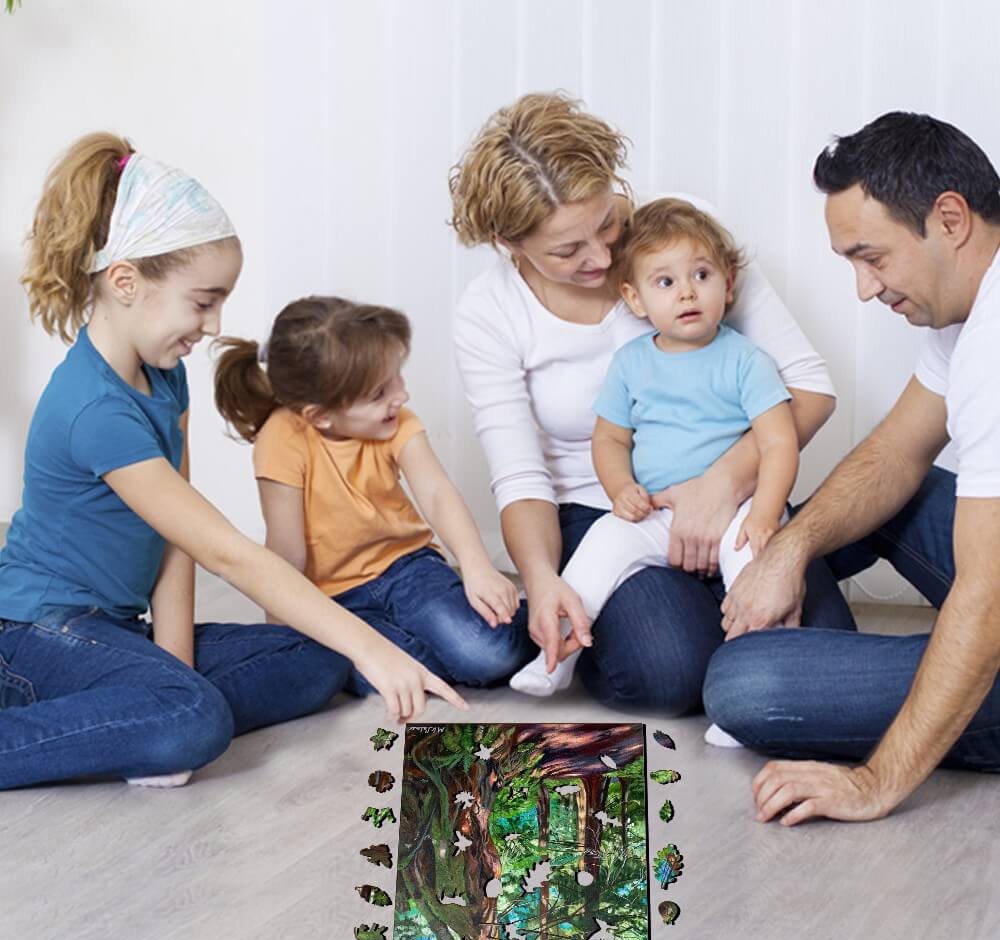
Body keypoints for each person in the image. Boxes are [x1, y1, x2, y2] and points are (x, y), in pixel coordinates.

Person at [0, 133, 465, 792]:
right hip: (37, 632)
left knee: (313, 658)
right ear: (126, 282)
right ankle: (133, 718)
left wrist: (176, 664)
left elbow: (179, 545)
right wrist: (376, 650)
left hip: (114, 628)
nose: (215, 323)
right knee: (192, 720)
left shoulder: (165, 378)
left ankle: (131, 715)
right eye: (202, 300)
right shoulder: (93, 409)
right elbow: (229, 553)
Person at [450, 92, 855, 713]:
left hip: (737, 484)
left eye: (607, 222)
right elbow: (521, 476)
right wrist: (542, 579)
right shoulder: (490, 311)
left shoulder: (683, 242)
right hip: (604, 508)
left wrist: (721, 486)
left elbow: (808, 388)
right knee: (670, 674)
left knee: (823, 647)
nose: (604, 258)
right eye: (568, 251)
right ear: (510, 242)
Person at [704, 111, 1000, 825]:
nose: (866, 289)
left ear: (950, 218)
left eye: (873, 258)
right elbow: (894, 454)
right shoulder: (968, 309)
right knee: (888, 494)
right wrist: (788, 552)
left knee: (748, 685)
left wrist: (874, 782)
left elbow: (988, 598)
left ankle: (905, 681)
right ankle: (781, 606)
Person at [509, 198, 798, 698]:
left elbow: (778, 443)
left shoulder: (745, 360)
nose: (687, 292)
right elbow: (611, 438)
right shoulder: (631, 363)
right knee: (599, 551)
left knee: (756, 580)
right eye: (665, 282)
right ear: (635, 299)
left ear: (729, 284)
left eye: (702, 275)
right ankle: (555, 658)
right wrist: (621, 489)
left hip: (735, 510)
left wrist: (765, 515)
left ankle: (754, 689)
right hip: (656, 509)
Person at [213, 296, 536, 691]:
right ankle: (446, 644)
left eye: (397, 378)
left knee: (486, 655)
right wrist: (286, 630)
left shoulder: (396, 421)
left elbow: (436, 493)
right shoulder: (280, 438)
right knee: (374, 676)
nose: (401, 397)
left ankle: (533, 614)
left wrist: (477, 566)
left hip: (407, 568)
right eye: (380, 393)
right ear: (320, 415)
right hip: (335, 596)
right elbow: (285, 550)